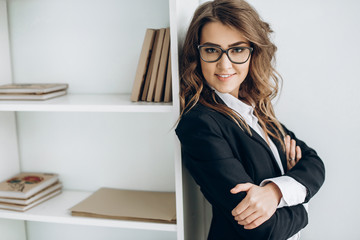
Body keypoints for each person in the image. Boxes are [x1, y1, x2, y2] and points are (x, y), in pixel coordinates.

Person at [175, 0, 325, 239]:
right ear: (198, 53)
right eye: (212, 50)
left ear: (253, 52)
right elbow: (264, 229)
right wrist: (301, 198)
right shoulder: (199, 124)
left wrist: (275, 192)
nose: (224, 65)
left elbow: (314, 162)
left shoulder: (257, 109)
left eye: (237, 50)